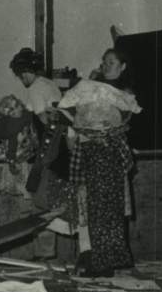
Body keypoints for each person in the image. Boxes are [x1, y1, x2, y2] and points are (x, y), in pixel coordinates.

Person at [57, 75, 141, 278]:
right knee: (106, 219)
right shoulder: (107, 139)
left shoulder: (102, 140)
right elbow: (126, 162)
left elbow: (124, 161)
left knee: (102, 218)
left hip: (101, 183)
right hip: (103, 183)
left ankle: (103, 263)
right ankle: (107, 259)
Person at [9, 47, 62, 120]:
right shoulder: (47, 81)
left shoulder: (35, 88)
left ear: (24, 74)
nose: (21, 80)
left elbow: (43, 119)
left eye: (20, 77)